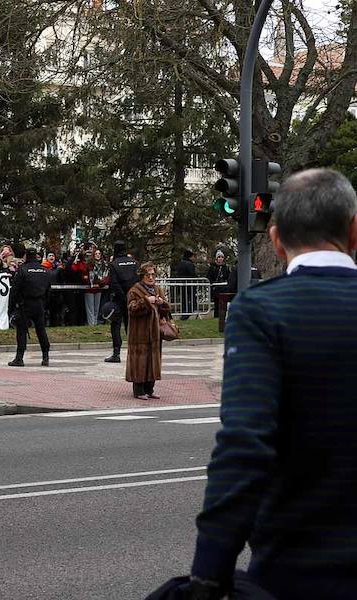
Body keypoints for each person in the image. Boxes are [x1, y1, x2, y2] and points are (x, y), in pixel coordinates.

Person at [189, 169, 357, 600]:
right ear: (353, 231)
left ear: (277, 239)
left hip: (299, 564)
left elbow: (245, 446)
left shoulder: (262, 311)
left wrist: (210, 572)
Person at [125, 262, 170, 399]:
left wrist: (162, 303)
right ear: (142, 276)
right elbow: (132, 309)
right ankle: (138, 390)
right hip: (139, 333)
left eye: (153, 275)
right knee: (140, 361)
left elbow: (167, 308)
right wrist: (146, 301)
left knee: (153, 360)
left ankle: (150, 389)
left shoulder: (157, 289)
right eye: (147, 275)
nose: (151, 278)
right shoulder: (135, 290)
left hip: (154, 333)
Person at [8, 248, 51, 367]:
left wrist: (10, 308)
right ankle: (45, 356)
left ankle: (19, 358)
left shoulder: (22, 270)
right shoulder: (45, 271)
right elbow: (48, 290)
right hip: (39, 304)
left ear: (26, 256)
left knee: (21, 331)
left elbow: (15, 291)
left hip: (25, 304)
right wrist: (44, 304)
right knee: (41, 330)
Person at [104, 241, 140, 363]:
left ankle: (116, 353)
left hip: (119, 299)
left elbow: (114, 283)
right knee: (132, 326)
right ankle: (135, 352)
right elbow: (138, 280)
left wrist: (123, 297)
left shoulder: (114, 264)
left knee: (116, 325)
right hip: (133, 298)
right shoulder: (135, 263)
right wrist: (132, 296)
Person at [87, 248, 109, 326]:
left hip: (99, 287)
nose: (98, 255)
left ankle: (95, 323)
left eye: (99, 253)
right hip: (90, 288)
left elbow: (106, 275)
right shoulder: (90, 264)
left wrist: (102, 281)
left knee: (97, 306)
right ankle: (91, 324)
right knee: (90, 307)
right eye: (96, 254)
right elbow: (90, 275)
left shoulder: (104, 264)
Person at [173, 249, 197, 320]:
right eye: (193, 256)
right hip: (189, 285)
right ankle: (187, 313)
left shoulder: (180, 263)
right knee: (191, 300)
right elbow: (193, 274)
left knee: (184, 300)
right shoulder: (189, 264)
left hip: (181, 285)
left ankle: (184, 314)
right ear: (190, 257)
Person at [207, 250, 231, 317]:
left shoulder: (226, 267)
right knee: (217, 303)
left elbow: (229, 276)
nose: (220, 258)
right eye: (219, 257)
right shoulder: (212, 267)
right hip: (216, 288)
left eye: (222, 257)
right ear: (216, 258)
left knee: (223, 303)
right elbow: (209, 276)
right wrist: (212, 283)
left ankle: (223, 316)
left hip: (224, 288)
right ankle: (216, 316)